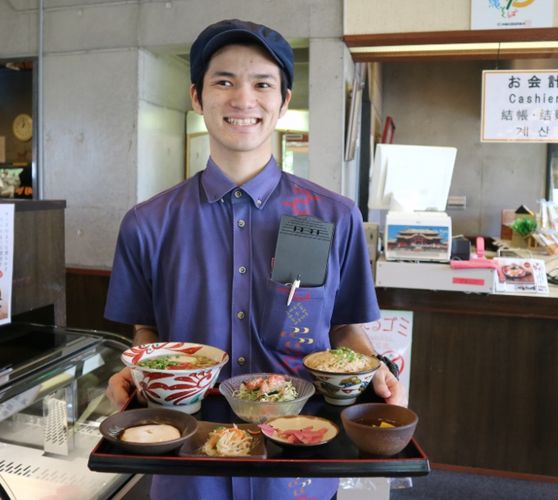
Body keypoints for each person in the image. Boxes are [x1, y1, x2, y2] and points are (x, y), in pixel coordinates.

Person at [105, 18, 403, 500]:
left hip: (297, 465)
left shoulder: (333, 215)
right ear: (197, 97)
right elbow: (146, 332)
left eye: (262, 83)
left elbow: (345, 330)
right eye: (223, 81)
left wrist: (374, 371)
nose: (243, 99)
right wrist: (138, 372)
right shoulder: (147, 223)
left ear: (283, 101)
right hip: (189, 469)